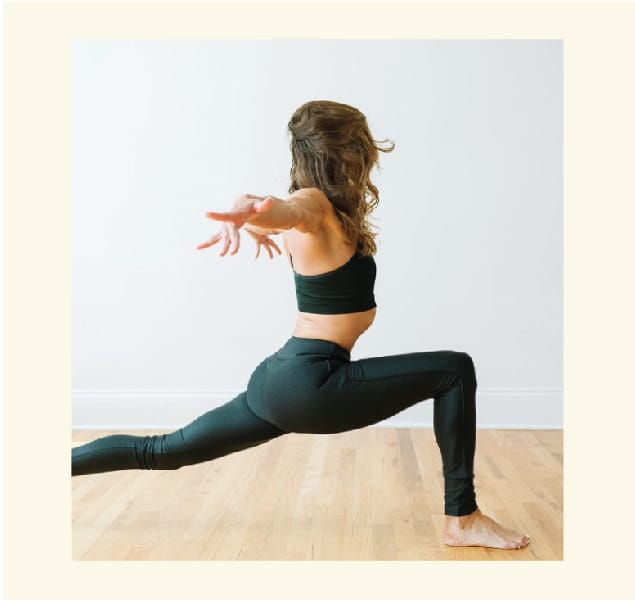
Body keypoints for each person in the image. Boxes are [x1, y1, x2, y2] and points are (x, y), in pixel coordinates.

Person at [72, 100, 530, 551]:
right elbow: (286, 211)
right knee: (453, 370)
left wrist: (245, 209)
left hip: (279, 378)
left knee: (163, 450)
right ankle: (462, 519)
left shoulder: (317, 205)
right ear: (345, 153)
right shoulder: (313, 207)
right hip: (313, 382)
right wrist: (252, 215)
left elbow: (268, 207)